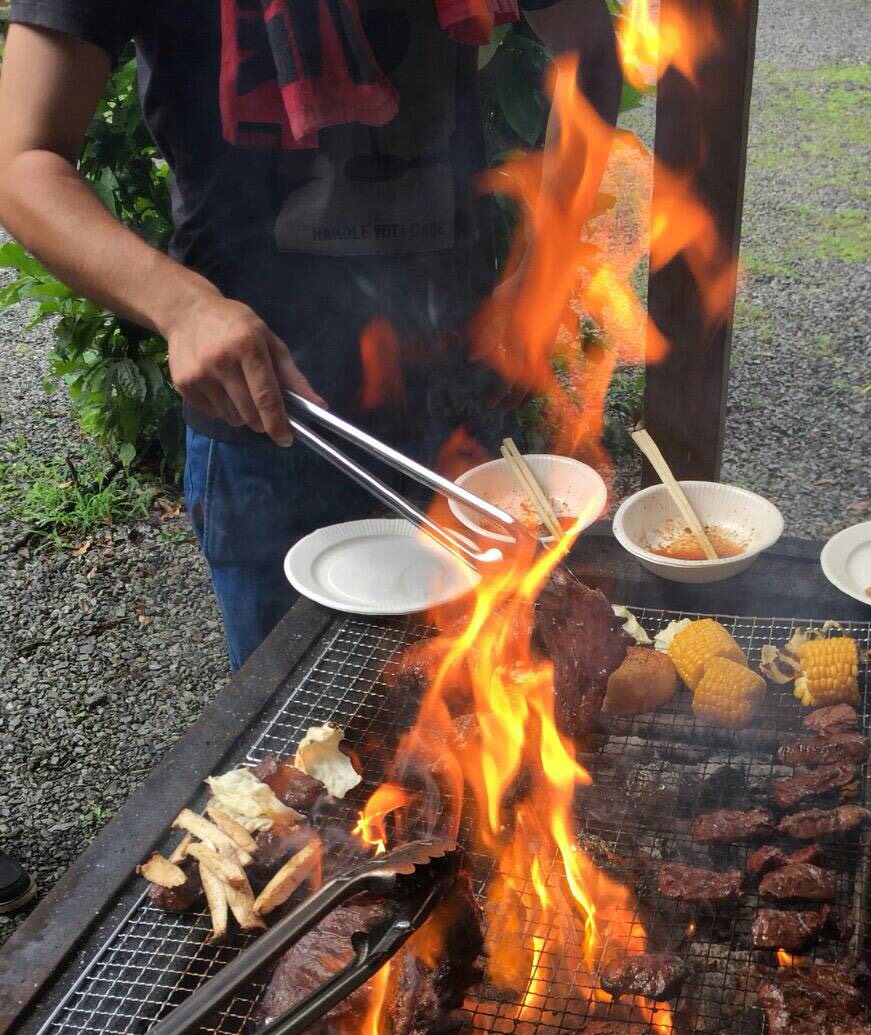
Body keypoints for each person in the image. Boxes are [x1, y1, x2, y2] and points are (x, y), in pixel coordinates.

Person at [0, 2, 621, 669]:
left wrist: (538, 279)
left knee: (497, 714)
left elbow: (588, 51)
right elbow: (22, 158)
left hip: (465, 404)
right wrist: (181, 307)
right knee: (303, 751)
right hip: (268, 422)